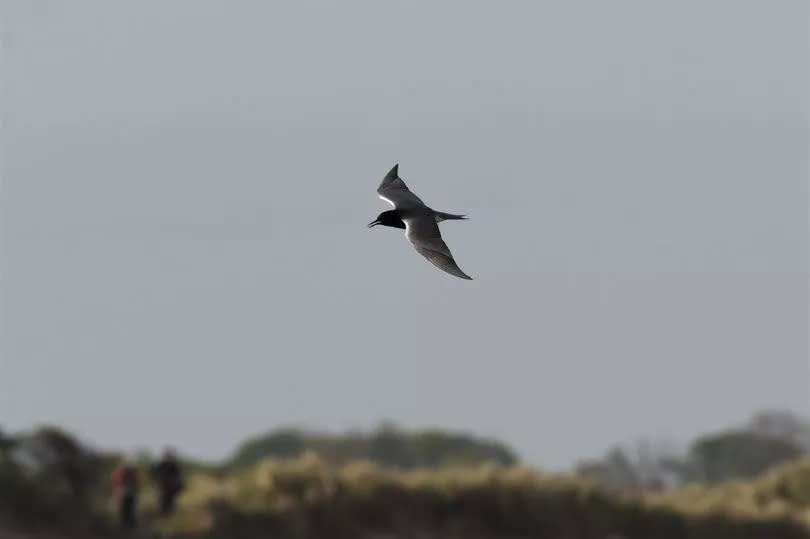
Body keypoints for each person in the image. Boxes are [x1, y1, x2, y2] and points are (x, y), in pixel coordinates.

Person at [151, 447, 184, 516]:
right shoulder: (164, 464)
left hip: (169, 487)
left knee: (167, 502)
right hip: (165, 486)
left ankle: (167, 516)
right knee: (164, 502)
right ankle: (164, 515)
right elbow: (154, 473)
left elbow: (178, 476)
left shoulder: (172, 464)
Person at [111, 458, 139, 528]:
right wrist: (115, 494)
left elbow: (136, 483)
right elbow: (116, 483)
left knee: (129, 510)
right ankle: (125, 525)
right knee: (124, 510)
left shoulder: (132, 472)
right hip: (124, 493)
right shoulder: (120, 472)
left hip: (129, 493)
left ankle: (129, 525)